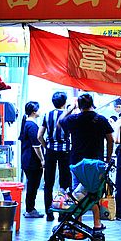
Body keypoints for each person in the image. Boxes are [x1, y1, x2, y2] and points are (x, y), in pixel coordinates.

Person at [59, 92, 114, 235]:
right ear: (92, 104)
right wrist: (107, 159)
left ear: (80, 105)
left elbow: (60, 122)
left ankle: (78, 224)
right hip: (96, 164)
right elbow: (110, 140)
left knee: (78, 193)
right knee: (93, 194)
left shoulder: (74, 119)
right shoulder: (100, 119)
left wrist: (70, 108)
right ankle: (97, 224)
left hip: (78, 164)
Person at [38, 91, 72, 221]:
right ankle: (62, 213)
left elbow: (39, 136)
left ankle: (49, 213)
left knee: (48, 183)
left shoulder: (47, 115)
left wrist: (46, 146)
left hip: (50, 151)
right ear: (64, 102)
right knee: (64, 183)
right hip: (64, 152)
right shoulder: (68, 116)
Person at [18, 101, 45, 218]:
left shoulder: (26, 124)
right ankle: (30, 209)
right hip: (32, 161)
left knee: (31, 184)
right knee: (33, 185)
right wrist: (42, 159)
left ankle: (30, 208)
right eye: (38, 109)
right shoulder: (32, 125)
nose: (40, 111)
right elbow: (36, 145)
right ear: (34, 111)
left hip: (27, 160)